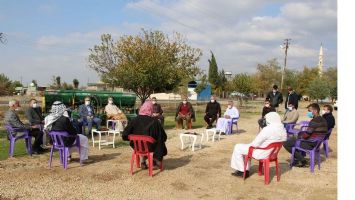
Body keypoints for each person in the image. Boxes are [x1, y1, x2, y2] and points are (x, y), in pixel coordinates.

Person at [231, 112, 287, 178]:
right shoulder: (282, 128)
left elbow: (255, 144)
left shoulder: (268, 129)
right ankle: (245, 169)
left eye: (266, 119)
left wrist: (263, 130)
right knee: (244, 148)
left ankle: (242, 171)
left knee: (238, 147)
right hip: (272, 154)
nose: (265, 120)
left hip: (262, 153)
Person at [122, 101, 167, 169]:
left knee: (143, 143)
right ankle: (155, 162)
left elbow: (125, 134)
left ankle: (143, 161)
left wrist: (133, 138)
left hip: (137, 147)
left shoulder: (134, 120)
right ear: (151, 109)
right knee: (158, 142)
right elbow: (163, 137)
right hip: (150, 147)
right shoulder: (155, 121)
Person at [283, 103, 328, 167]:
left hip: (310, 144)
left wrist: (298, 136)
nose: (308, 113)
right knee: (293, 139)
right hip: (317, 143)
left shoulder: (314, 121)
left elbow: (306, 135)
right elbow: (310, 132)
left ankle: (302, 160)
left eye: (310, 111)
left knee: (286, 143)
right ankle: (299, 158)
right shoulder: (323, 120)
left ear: (315, 111)